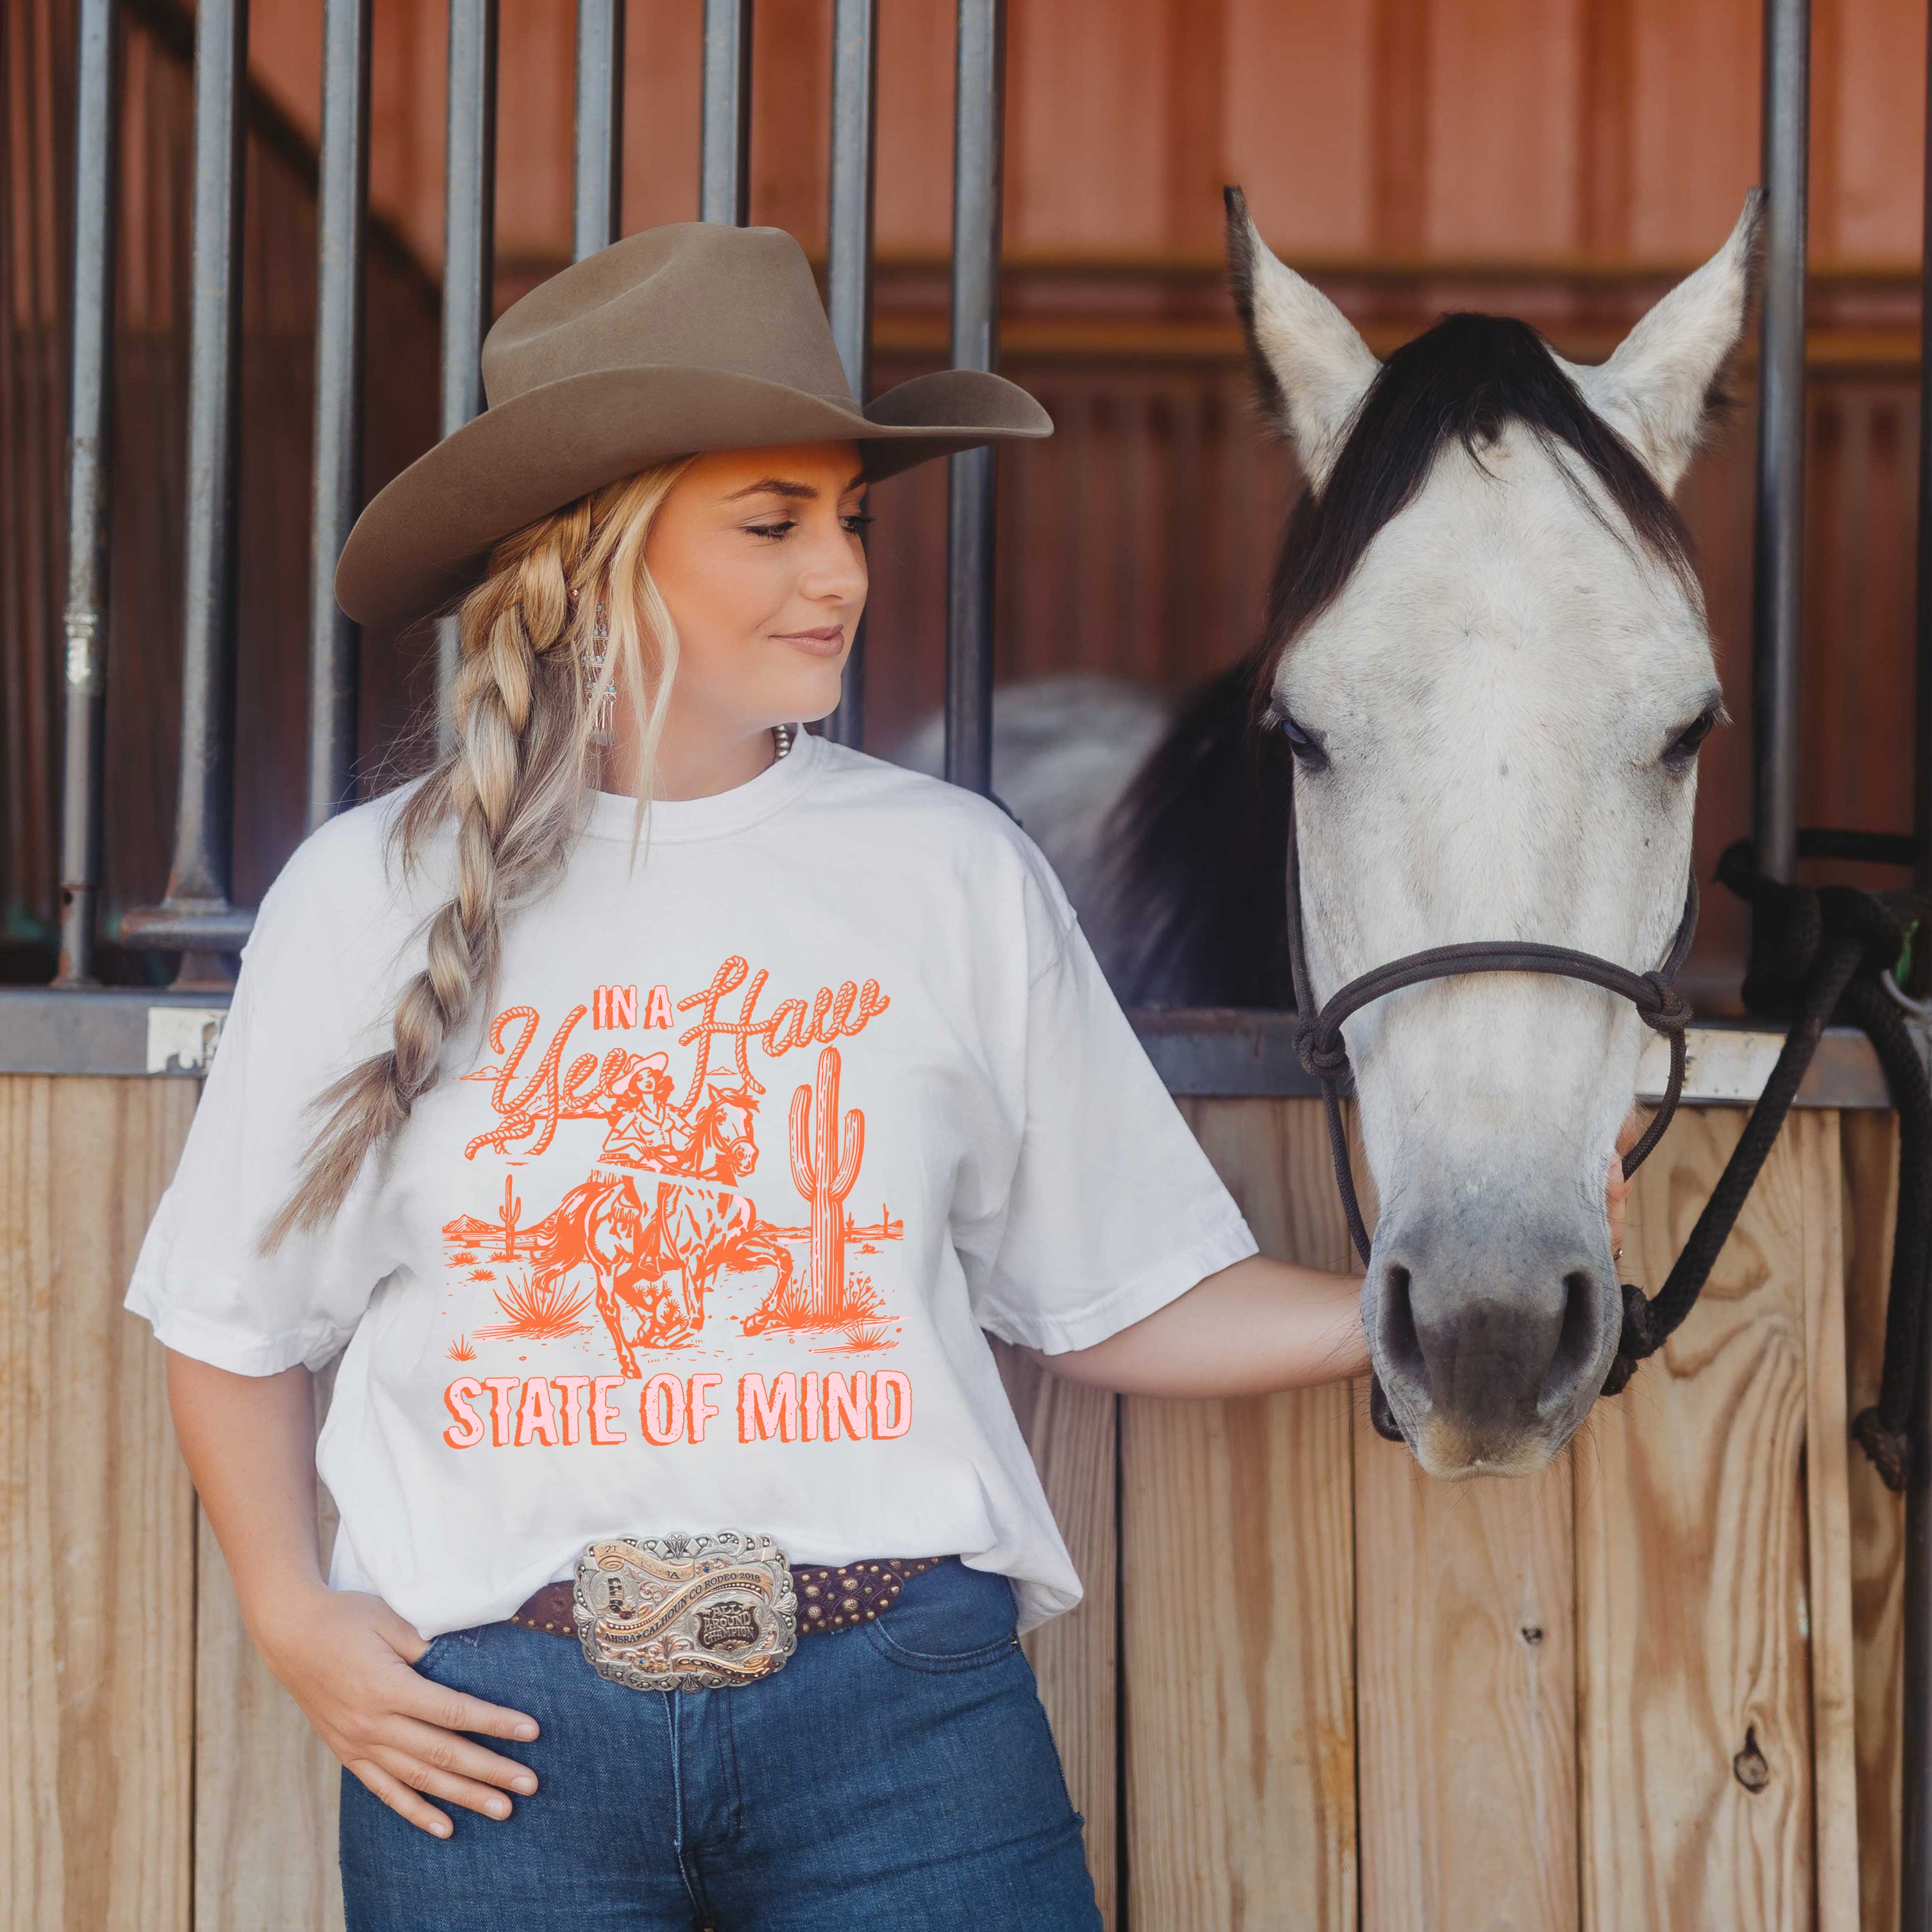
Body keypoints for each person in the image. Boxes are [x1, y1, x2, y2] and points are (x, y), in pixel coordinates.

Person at [125, 222, 1627, 1931]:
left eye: (848, 516)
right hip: (498, 1734)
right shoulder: (364, 893)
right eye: (770, 522)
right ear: (598, 546)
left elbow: (1107, 1291)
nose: (837, 571)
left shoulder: (949, 872)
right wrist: (290, 1612)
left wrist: (1407, 1305)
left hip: (899, 1723)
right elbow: (230, 1317)